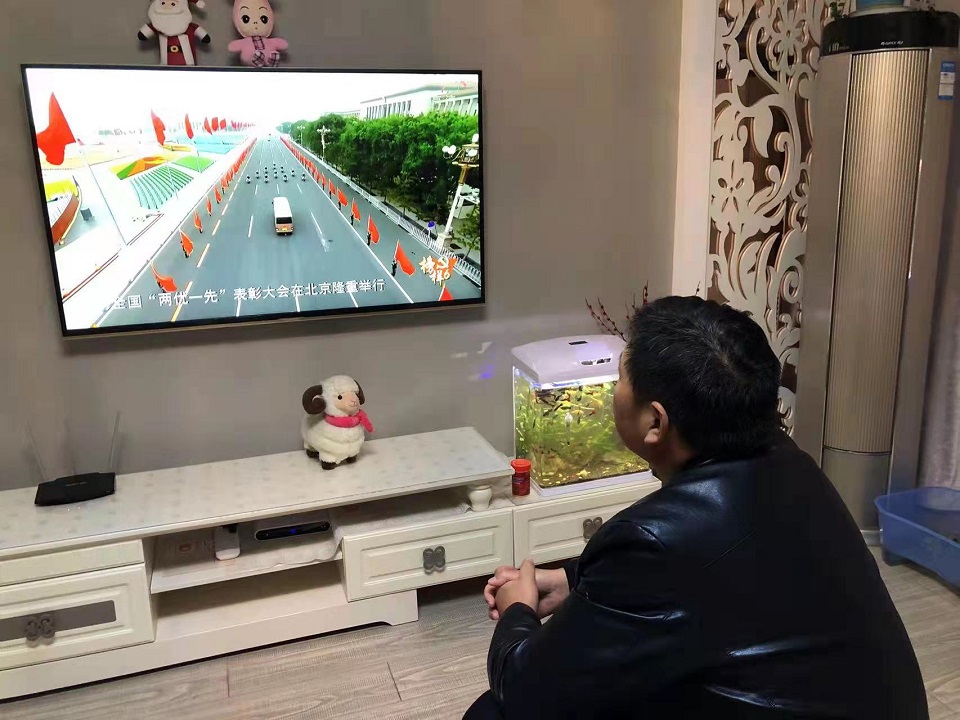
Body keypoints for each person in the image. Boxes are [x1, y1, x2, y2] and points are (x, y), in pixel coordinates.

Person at [469, 296, 926, 719]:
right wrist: (575, 581)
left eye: (620, 378)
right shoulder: (791, 464)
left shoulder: (655, 541)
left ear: (655, 421)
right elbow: (708, 577)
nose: (611, 391)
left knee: (495, 712)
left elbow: (527, 691)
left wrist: (517, 610)